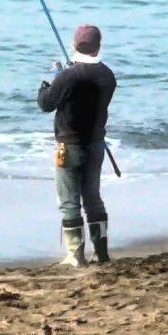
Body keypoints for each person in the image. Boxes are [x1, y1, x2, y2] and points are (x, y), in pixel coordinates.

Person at [37, 24, 116, 266]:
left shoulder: (69, 76)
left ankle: (75, 255)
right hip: (96, 145)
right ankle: (101, 254)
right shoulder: (107, 75)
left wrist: (50, 81)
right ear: (98, 46)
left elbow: (46, 104)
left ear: (74, 45)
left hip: (69, 147)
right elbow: (86, 91)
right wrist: (64, 77)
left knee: (69, 201)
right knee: (93, 198)